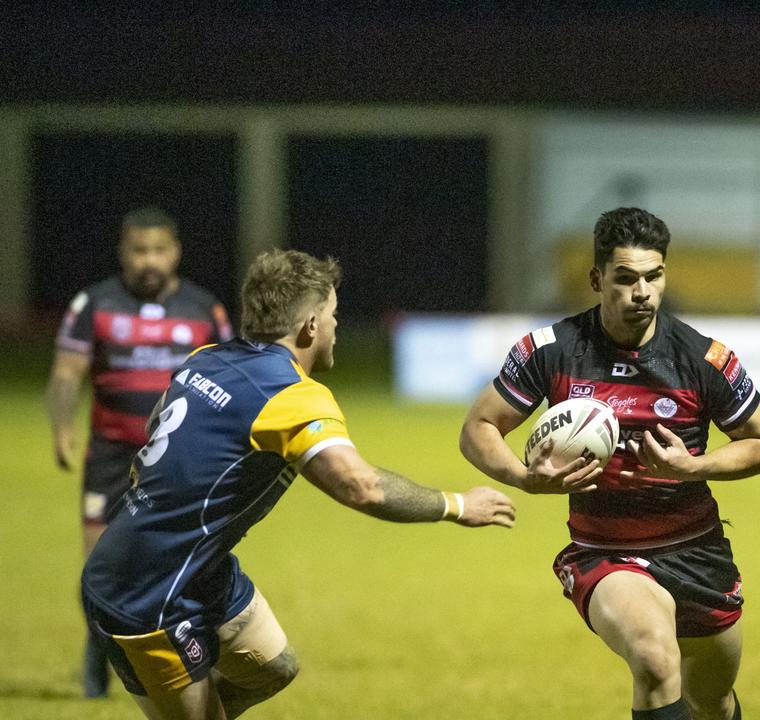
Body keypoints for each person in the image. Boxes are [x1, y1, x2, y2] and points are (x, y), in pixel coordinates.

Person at [81, 249, 516, 720]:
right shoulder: (291, 394)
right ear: (310, 325)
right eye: (332, 315)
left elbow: (155, 423)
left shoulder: (206, 359)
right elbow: (361, 486)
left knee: (272, 666)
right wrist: (455, 504)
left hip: (196, 566)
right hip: (146, 590)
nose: (336, 327)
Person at [460, 207, 760, 720]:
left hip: (697, 549)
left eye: (654, 277)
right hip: (605, 551)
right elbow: (479, 428)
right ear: (596, 278)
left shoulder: (702, 358)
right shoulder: (553, 350)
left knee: (712, 702)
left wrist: (693, 468)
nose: (643, 293)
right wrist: (525, 479)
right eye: (626, 278)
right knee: (654, 660)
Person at [46, 207, 234, 697]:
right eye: (139, 250)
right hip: (110, 458)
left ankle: (189, 667)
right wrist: (62, 429)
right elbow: (67, 372)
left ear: (175, 253)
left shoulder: (203, 308)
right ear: (123, 254)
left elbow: (232, 378)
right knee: (99, 572)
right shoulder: (95, 303)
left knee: (185, 569)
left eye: (158, 250)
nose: (149, 260)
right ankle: (96, 664)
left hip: (178, 463)